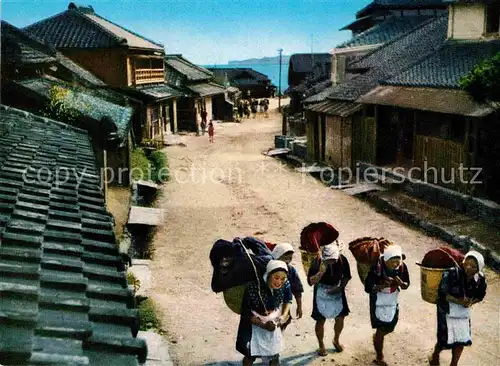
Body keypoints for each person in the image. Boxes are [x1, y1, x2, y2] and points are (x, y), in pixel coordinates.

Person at [429, 251, 487, 366]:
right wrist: (459, 301)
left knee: (461, 338)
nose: (468, 267)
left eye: (473, 266)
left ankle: (454, 363)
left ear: (478, 269)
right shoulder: (451, 273)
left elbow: (480, 296)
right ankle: (435, 354)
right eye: (467, 263)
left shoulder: (480, 279)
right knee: (445, 338)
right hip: (446, 308)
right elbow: (443, 293)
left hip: (463, 311)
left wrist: (470, 302)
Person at [236, 260, 292, 366]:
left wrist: (283, 316)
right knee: (250, 355)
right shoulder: (254, 288)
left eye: (282, 279)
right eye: (276, 277)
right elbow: (246, 313)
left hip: (273, 321)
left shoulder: (286, 284)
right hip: (254, 325)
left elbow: (287, 300)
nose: (279, 282)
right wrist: (263, 325)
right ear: (268, 275)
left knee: (274, 354)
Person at [364, 245, 410, 366]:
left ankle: (378, 337)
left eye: (397, 260)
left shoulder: (402, 267)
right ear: (386, 259)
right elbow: (368, 288)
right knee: (381, 328)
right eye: (392, 261)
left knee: (390, 326)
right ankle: (380, 356)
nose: (395, 264)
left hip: (392, 299)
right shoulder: (376, 268)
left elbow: (407, 284)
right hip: (378, 300)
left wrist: (402, 284)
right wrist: (381, 286)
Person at [308, 243, 351, 356]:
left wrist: (340, 287)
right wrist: (320, 272)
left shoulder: (342, 260)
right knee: (320, 319)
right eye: (328, 260)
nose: (331, 262)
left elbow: (346, 276)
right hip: (322, 290)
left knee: (340, 317)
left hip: (337, 289)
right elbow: (311, 282)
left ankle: (336, 340)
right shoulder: (316, 262)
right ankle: (321, 345)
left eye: (333, 260)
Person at [271, 243, 304, 331]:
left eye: (290, 258)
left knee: (282, 322)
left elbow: (297, 289)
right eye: (285, 258)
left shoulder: (290, 270)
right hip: (269, 304)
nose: (288, 261)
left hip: (283, 303)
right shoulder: (269, 268)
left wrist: (299, 307)